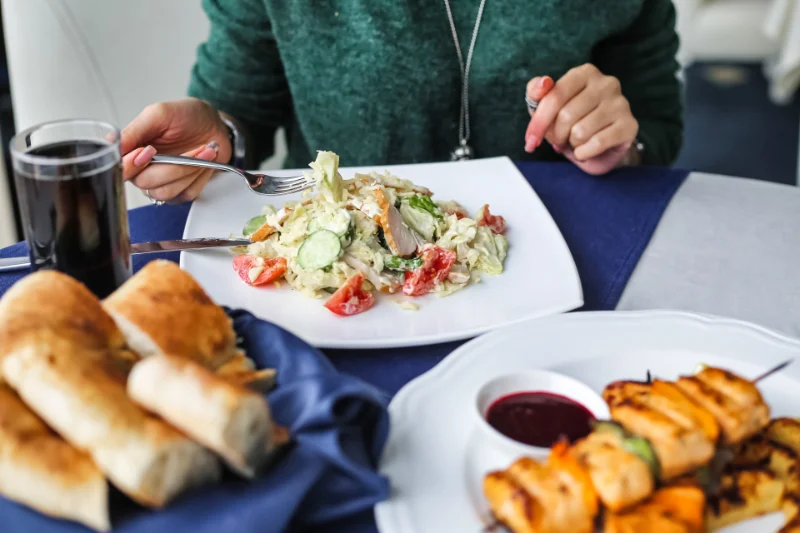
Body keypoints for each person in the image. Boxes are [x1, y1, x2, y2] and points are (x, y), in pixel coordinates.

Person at [122, 0, 682, 204]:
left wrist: (618, 140)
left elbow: (655, 124)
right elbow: (236, 113)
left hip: (557, 257)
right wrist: (217, 142)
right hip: (342, 278)